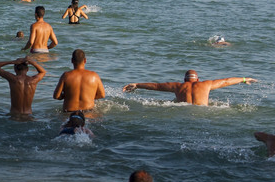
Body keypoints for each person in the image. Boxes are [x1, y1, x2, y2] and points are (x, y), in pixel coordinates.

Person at [122, 70, 258, 106]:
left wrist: (137, 85)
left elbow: (156, 86)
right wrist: (244, 79)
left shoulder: (178, 86)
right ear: (198, 79)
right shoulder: (207, 84)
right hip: (204, 112)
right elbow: (226, 81)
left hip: (183, 110)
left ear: (184, 80)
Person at [53, 49, 105, 114]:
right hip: (88, 112)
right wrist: (90, 96)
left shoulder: (66, 76)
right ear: (85, 60)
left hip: (69, 113)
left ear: (72, 60)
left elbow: (56, 96)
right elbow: (102, 95)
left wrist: (65, 96)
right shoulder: (94, 76)